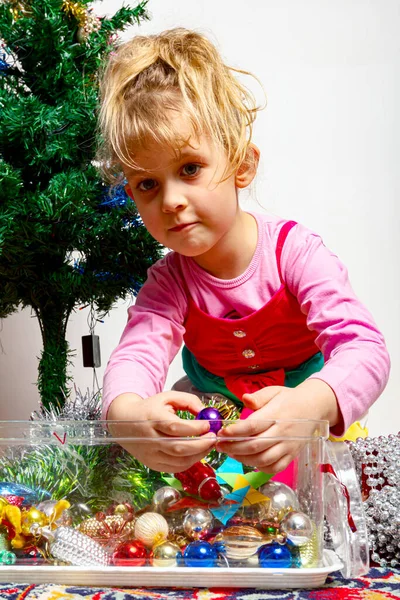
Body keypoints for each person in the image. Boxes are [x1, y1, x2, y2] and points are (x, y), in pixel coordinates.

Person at [98, 28, 390, 474]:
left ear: (241, 163)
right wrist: (126, 415)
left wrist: (314, 403)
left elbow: (364, 349)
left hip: (303, 425)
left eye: (189, 168)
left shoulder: (295, 253)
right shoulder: (169, 281)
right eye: (147, 185)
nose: (170, 200)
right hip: (216, 431)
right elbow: (137, 355)